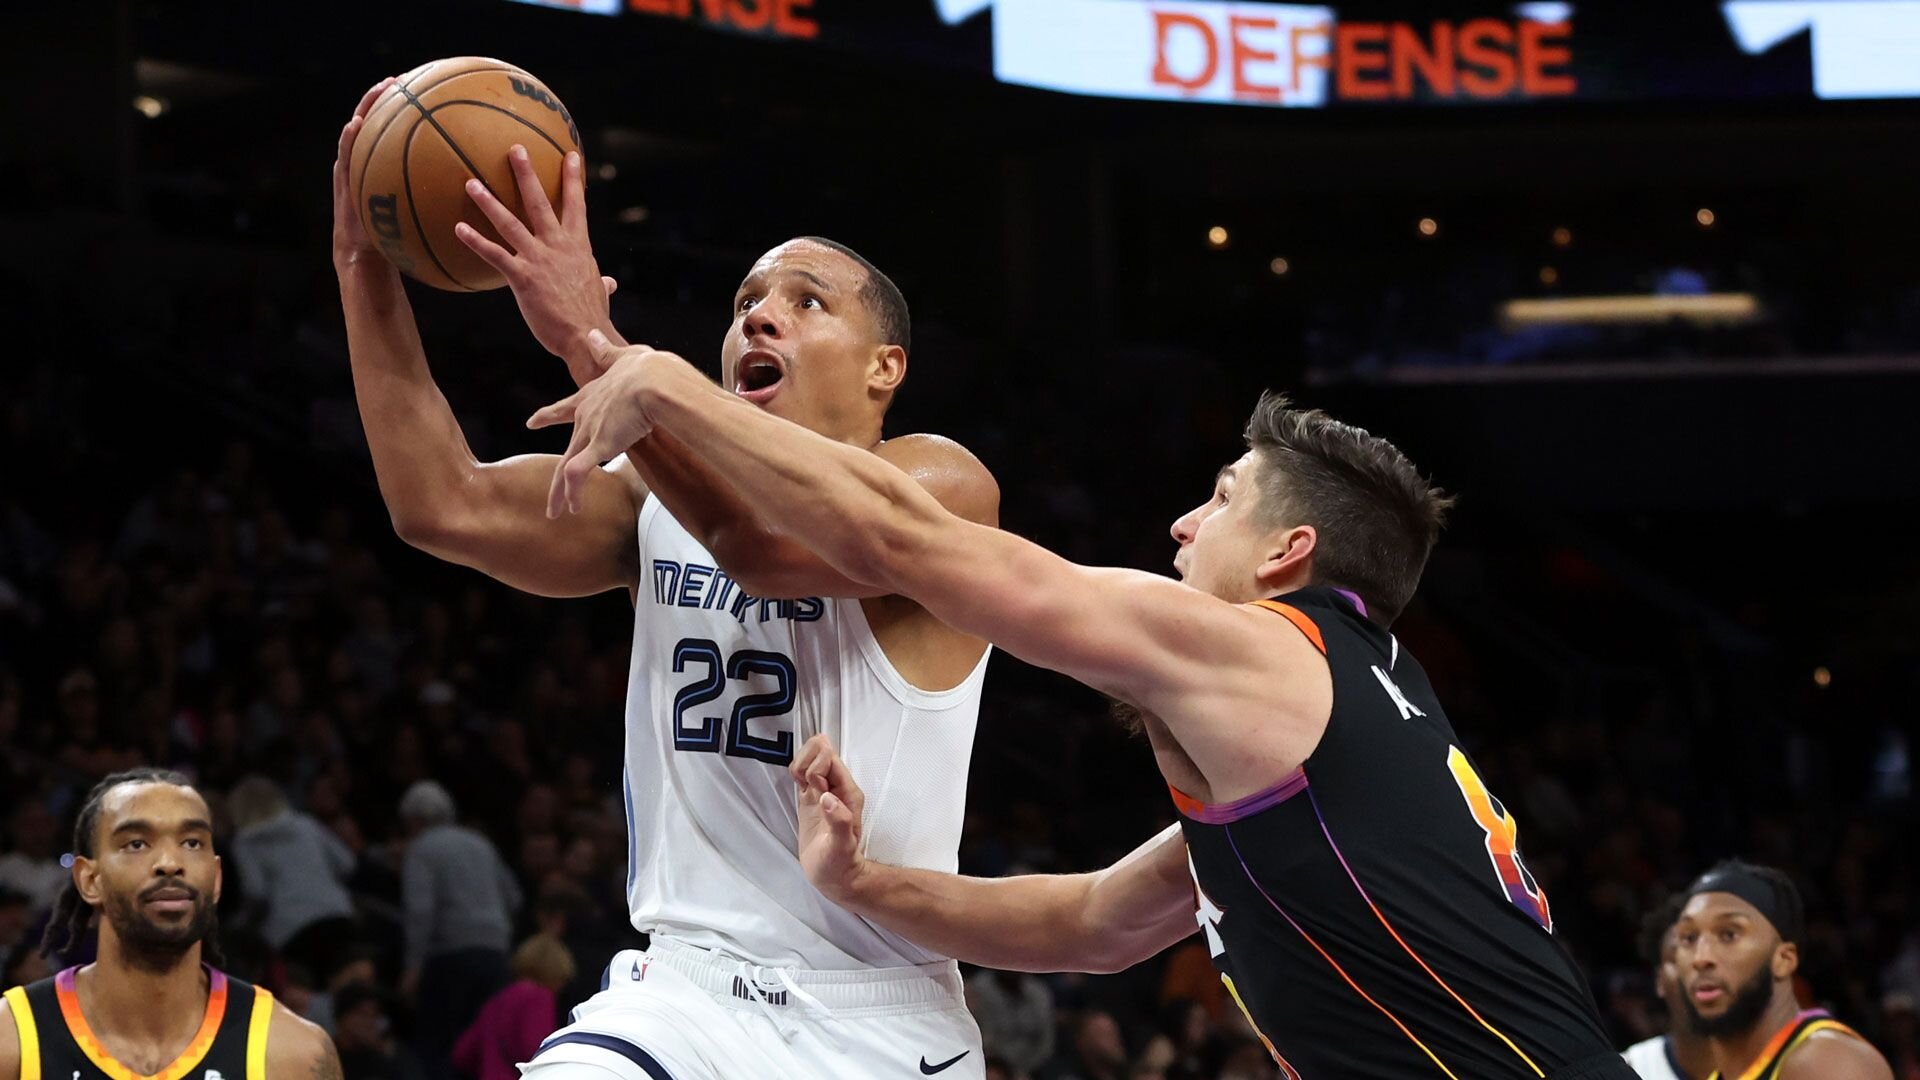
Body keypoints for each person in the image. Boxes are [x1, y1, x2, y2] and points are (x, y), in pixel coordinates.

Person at [537, 351, 1638, 1080]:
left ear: (1286, 554)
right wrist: (863, 884)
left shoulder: (1262, 650)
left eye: (1217, 500)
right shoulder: (1359, 709)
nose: (1178, 523)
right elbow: (1096, 924)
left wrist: (669, 391)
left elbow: (909, 548)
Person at [331, 72, 998, 1079]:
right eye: (745, 303)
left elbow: (764, 550)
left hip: (872, 1007)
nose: (759, 318)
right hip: (681, 993)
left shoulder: (939, 483)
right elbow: (441, 505)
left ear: (884, 369)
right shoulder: (653, 500)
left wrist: (589, 345)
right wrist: (363, 267)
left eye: (804, 302)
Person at [0, 768, 339, 1078]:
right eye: (137, 844)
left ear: (217, 878)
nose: (170, 863)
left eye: (192, 843)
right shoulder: (11, 1039)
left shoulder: (292, 1054)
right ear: (90, 880)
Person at [1671, 860, 1892, 1080]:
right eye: (1689, 938)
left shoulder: (1825, 1062)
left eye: (1729, 935)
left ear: (1783, 959)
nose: (1701, 958)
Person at [396, 780, 521, 1078]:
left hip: (450, 957)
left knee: (441, 1046)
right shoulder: (480, 844)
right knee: (487, 1043)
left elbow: (420, 911)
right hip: (495, 955)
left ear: (413, 820)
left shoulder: (421, 848)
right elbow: (514, 897)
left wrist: (412, 967)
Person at [228, 774, 357, 984]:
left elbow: (256, 893)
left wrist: (241, 923)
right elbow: (348, 863)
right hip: (337, 916)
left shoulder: (245, 843)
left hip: (292, 932)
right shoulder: (306, 824)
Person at [452, 933, 575, 1080]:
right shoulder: (539, 998)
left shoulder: (498, 999)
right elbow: (536, 1049)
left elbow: (463, 1053)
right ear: (556, 973)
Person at [1623, 895, 1714, 1080]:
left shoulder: (1784, 1066)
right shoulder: (1627, 1071)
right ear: (1659, 980)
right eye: (1681, 956)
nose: (1701, 964)